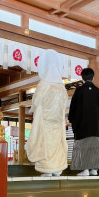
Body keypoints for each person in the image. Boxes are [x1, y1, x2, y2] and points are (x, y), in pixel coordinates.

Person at [26, 49, 68, 177]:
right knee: (57, 142)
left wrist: (35, 109)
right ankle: (57, 168)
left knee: (44, 143)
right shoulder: (61, 86)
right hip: (57, 121)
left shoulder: (43, 84)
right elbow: (65, 103)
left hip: (45, 120)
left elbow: (37, 101)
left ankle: (47, 169)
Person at [68, 67, 99, 176]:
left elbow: (73, 108)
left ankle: (85, 169)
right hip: (95, 127)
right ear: (92, 77)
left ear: (82, 77)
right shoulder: (98, 92)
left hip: (82, 126)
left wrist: (71, 120)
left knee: (83, 147)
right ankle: (94, 169)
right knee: (94, 147)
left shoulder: (79, 90)